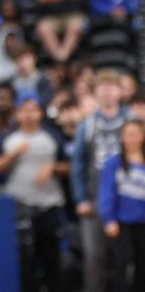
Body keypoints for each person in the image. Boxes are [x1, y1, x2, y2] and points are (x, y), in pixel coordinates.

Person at [0, 94, 66, 291]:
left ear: (40, 113)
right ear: (17, 114)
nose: (28, 115)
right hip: (18, 206)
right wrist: (13, 154)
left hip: (49, 204)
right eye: (23, 110)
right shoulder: (8, 138)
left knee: (51, 259)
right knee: (22, 260)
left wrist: (53, 167)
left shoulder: (52, 136)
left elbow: (70, 166)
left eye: (32, 110)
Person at [71, 69, 130, 292]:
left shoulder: (131, 121)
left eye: (111, 88)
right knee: (94, 257)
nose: (106, 93)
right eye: (102, 89)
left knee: (125, 258)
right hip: (95, 200)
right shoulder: (87, 126)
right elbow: (77, 165)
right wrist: (81, 199)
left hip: (127, 200)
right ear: (95, 93)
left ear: (120, 92)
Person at [97, 119, 145, 292]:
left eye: (136, 134)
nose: (132, 138)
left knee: (142, 265)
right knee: (121, 264)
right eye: (128, 135)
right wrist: (108, 218)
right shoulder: (112, 163)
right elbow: (106, 192)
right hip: (121, 222)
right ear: (122, 138)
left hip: (142, 222)